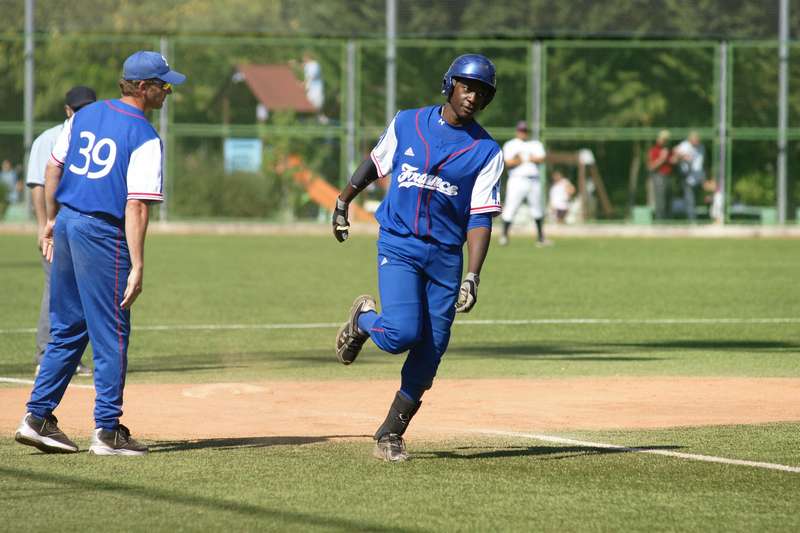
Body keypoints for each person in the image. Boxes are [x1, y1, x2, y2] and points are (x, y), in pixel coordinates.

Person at [331, 54, 504, 462]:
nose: (472, 96)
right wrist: (342, 201)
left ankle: (391, 431)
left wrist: (473, 276)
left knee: (432, 349)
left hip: (445, 257)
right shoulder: (408, 122)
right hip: (400, 243)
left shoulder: (486, 151)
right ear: (449, 85)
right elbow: (376, 163)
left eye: (481, 91)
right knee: (401, 334)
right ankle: (363, 320)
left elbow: (480, 218)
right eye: (466, 86)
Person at [15, 50, 185, 456]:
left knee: (68, 328)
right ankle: (107, 431)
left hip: (70, 224)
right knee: (112, 333)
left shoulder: (85, 116)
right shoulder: (144, 136)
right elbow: (137, 205)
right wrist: (138, 264)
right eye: (162, 85)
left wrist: (53, 218)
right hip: (102, 234)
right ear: (141, 88)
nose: (167, 91)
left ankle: (37, 418)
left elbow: (53, 168)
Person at [26, 86, 97, 378]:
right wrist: (45, 226)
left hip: (86, 226)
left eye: (88, 108)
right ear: (67, 110)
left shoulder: (96, 140)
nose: (83, 113)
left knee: (82, 293)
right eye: (78, 109)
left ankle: (71, 357)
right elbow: (38, 185)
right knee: (56, 290)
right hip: (58, 225)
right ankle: (45, 353)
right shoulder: (49, 139)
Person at [498, 121, 549, 247]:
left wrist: (523, 159)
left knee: (537, 209)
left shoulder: (535, 144)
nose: (523, 133)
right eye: (521, 130)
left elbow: (542, 158)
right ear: (517, 131)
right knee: (511, 207)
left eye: (525, 130)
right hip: (517, 179)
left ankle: (541, 238)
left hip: (533, 179)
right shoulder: (511, 144)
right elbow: (508, 162)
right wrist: (525, 159)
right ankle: (504, 236)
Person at [672, 131, 705, 221]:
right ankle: (692, 219)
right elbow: (674, 154)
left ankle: (696, 217)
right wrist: (683, 156)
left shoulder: (701, 147)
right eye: (695, 140)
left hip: (698, 175)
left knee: (697, 198)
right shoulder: (685, 145)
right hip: (687, 175)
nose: (697, 141)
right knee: (689, 198)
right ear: (690, 139)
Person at [647, 130, 673, 220]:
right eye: (663, 139)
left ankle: (668, 220)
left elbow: (672, 161)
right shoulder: (654, 150)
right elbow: (651, 167)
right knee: (660, 201)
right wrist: (662, 158)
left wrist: (678, 157)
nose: (665, 141)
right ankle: (660, 221)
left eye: (666, 140)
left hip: (668, 176)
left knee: (669, 200)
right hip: (658, 176)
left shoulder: (668, 150)